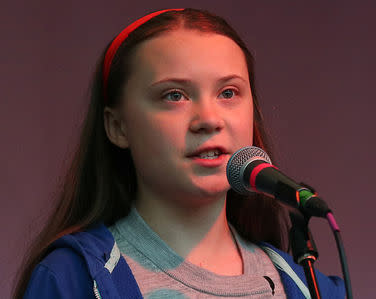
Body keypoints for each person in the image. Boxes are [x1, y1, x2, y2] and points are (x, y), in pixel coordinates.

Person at [14, 8, 345, 298]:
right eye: (174, 96)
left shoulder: (308, 287)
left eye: (228, 92)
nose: (209, 120)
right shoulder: (76, 278)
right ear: (117, 127)